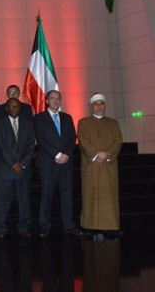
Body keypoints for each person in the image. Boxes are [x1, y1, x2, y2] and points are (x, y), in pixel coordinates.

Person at [34, 90, 80, 237]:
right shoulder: (39, 118)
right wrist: (57, 154)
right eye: (52, 98)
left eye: (58, 98)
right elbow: (41, 139)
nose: (55, 101)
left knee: (67, 194)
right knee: (47, 195)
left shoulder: (67, 117)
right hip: (48, 163)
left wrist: (65, 154)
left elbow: (72, 138)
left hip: (66, 162)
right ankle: (44, 226)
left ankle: (68, 225)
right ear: (47, 101)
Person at [77, 93, 123, 238]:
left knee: (109, 196)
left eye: (101, 104)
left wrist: (106, 154)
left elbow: (118, 141)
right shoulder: (84, 122)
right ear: (92, 106)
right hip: (92, 165)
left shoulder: (113, 123)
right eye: (96, 104)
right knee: (90, 195)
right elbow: (83, 142)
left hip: (109, 165)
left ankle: (111, 226)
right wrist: (97, 154)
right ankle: (90, 226)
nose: (99, 106)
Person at [0, 98, 35, 240]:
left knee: (24, 202)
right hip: (6, 169)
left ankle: (23, 227)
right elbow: (1, 146)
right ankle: (1, 228)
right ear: (6, 108)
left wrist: (22, 163)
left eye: (17, 106)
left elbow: (31, 147)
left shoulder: (28, 124)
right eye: (11, 107)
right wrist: (13, 163)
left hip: (23, 170)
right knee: (3, 202)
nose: (14, 109)